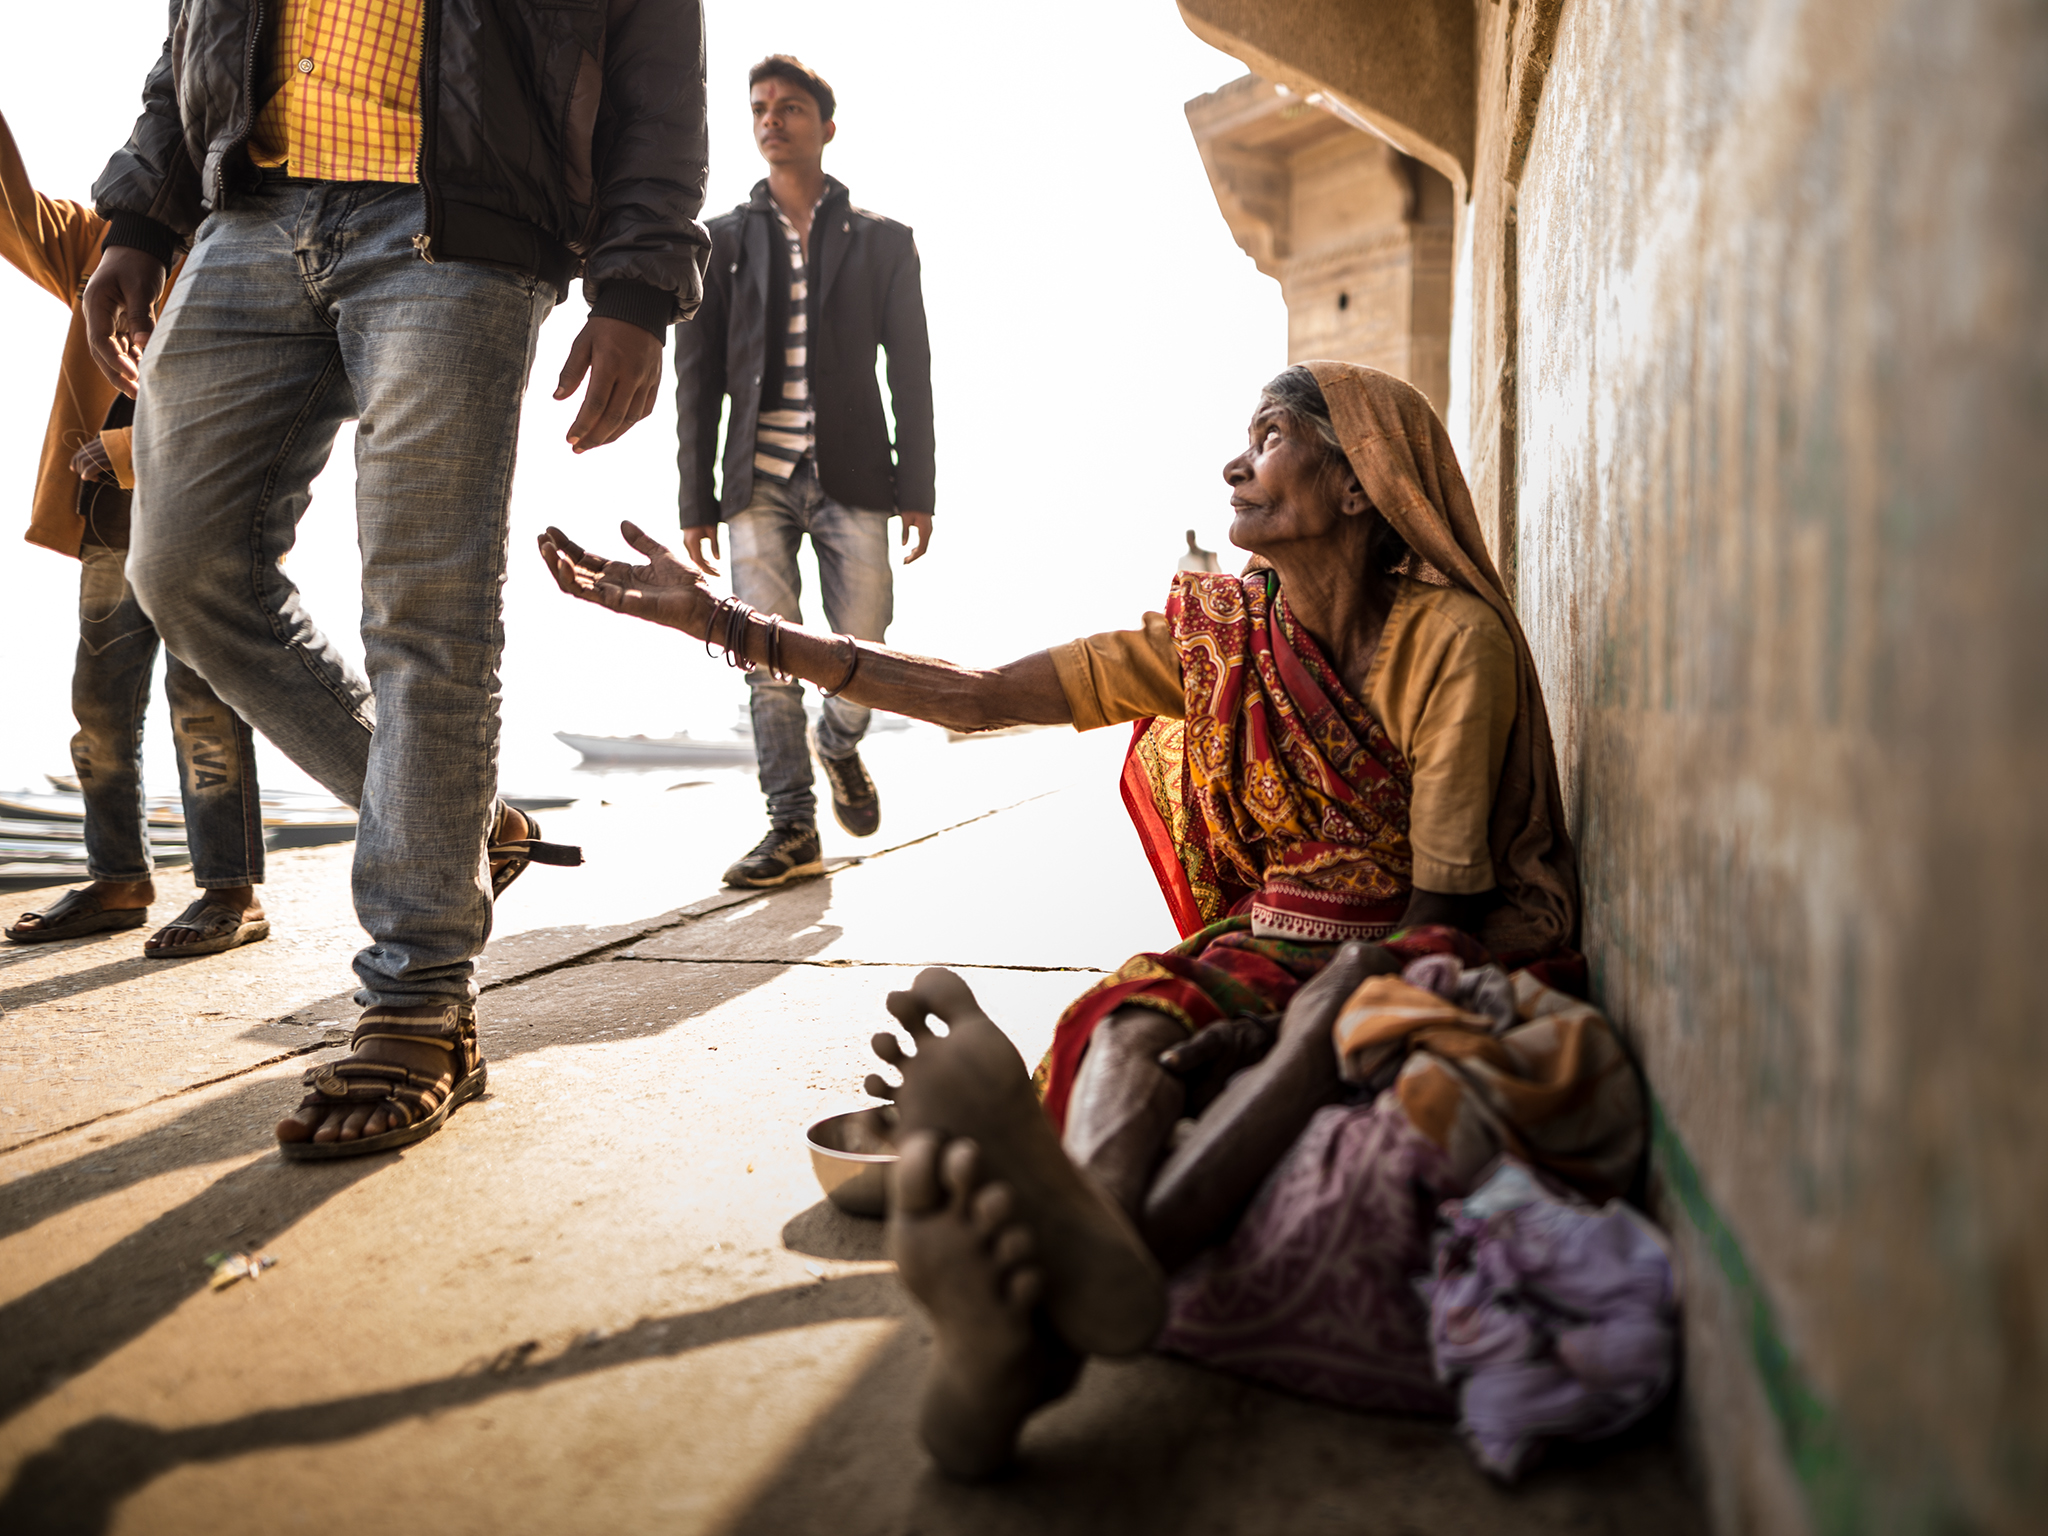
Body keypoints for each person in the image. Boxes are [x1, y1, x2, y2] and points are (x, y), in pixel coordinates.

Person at [541, 362, 1646, 1477]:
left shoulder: (1453, 639)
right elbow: (978, 695)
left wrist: (1274, 1035)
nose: (1234, 464)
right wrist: (725, 622)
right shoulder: (1220, 641)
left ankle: (1042, 1332)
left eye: (1269, 438)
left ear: (1359, 481)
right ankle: (1094, 1262)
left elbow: (1440, 910)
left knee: (1330, 1019)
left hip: (1393, 950)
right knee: (1128, 1018)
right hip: (1258, 945)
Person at [81, 0, 709, 1158]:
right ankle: (471, 829)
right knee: (180, 567)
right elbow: (192, 38)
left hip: (456, 222)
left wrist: (636, 287)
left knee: (427, 610)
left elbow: (658, 75)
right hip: (247, 212)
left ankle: (420, 1002)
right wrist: (138, 213)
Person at [1, 111, 269, 958]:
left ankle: (231, 892)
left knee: (205, 708)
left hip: (207, 527)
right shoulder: (101, 248)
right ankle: (118, 878)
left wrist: (120, 452)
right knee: (100, 707)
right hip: (110, 534)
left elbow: (251, 402)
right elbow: (11, 212)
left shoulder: (251, 260)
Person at [675, 55, 935, 888]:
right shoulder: (717, 242)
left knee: (865, 648)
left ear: (826, 125)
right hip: (755, 479)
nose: (771, 119)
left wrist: (918, 488)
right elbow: (697, 378)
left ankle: (839, 743)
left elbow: (911, 373)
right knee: (764, 652)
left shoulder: (884, 241)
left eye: (789, 107)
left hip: (855, 472)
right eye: (759, 107)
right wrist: (696, 498)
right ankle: (791, 825)